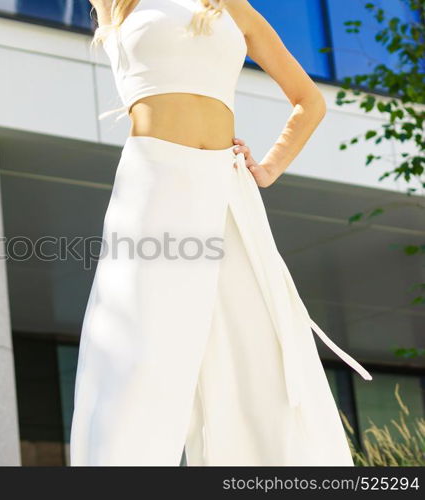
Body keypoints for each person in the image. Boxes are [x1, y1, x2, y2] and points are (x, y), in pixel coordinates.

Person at [69, 0, 373, 466]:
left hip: (226, 190)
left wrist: (268, 168)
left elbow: (309, 102)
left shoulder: (231, 6)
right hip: (154, 187)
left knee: (258, 349)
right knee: (139, 356)